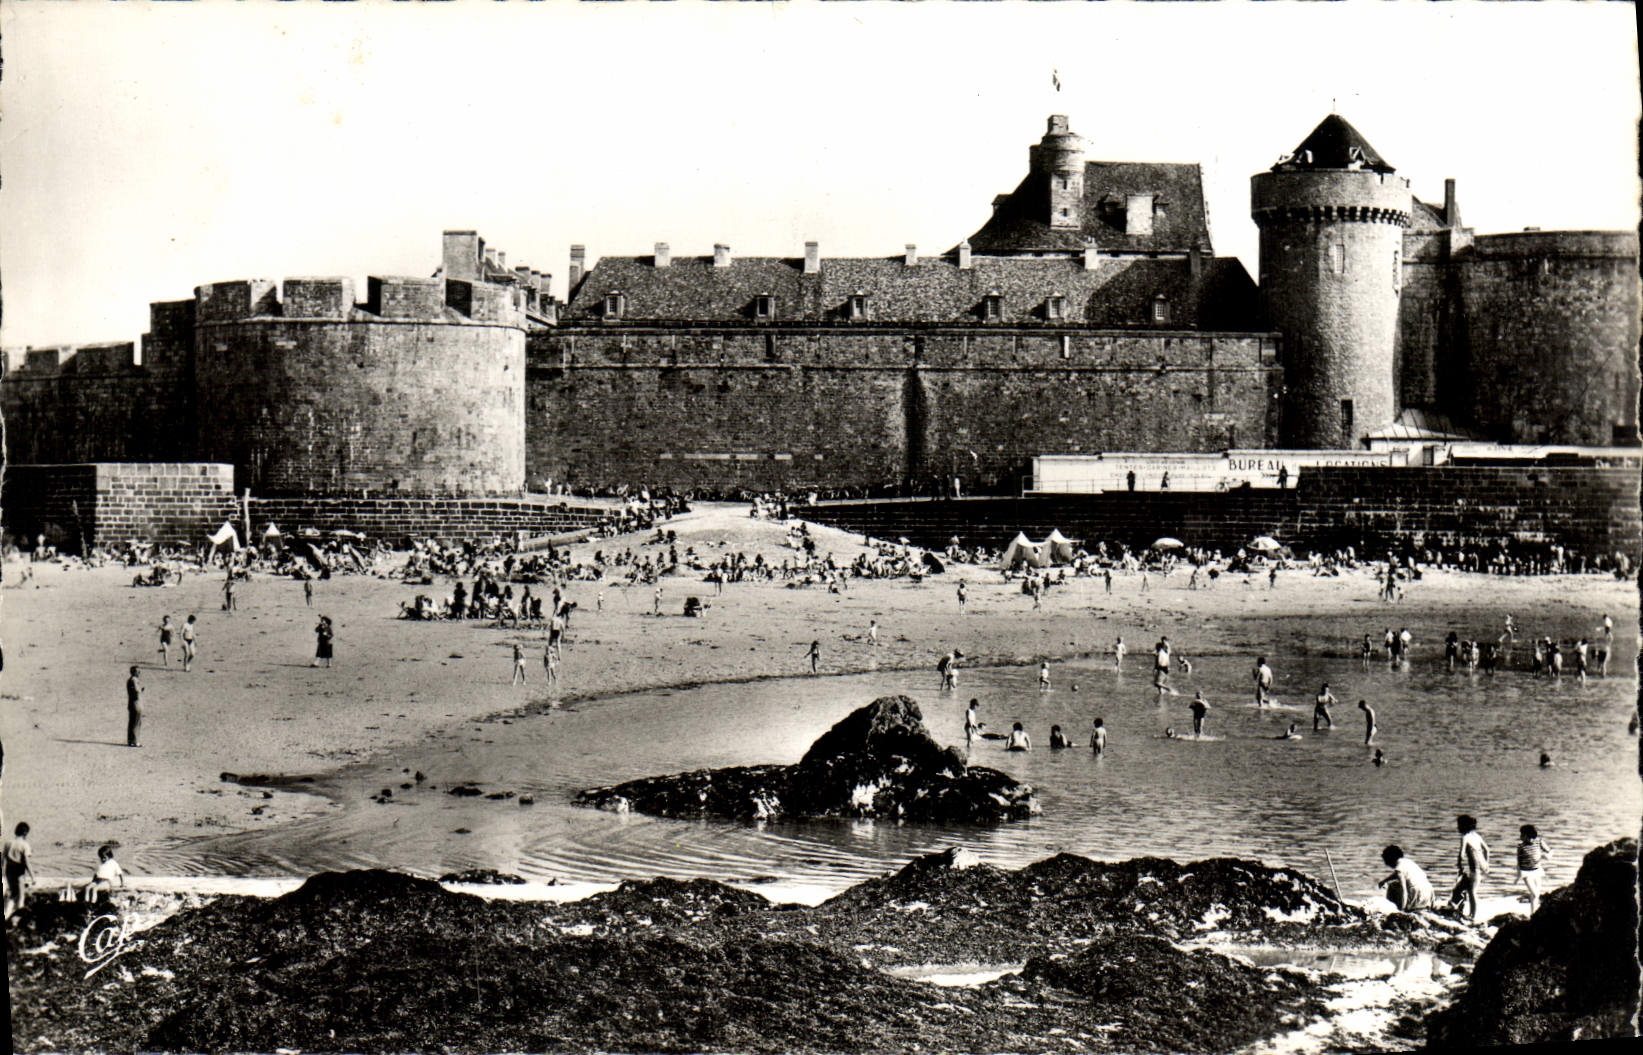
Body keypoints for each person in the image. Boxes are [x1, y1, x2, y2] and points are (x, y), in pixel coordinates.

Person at [1452, 815, 1491, 923]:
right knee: (1468, 889)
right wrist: (1487, 864)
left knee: (1471, 892)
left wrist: (1459, 865)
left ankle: (1472, 916)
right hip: (1481, 866)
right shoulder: (1477, 836)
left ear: (1463, 826)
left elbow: (1461, 854)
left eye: (1458, 825)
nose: (1457, 828)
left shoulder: (1465, 837)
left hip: (1474, 867)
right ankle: (1464, 910)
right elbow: (1487, 850)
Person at [1378, 845, 1435, 913]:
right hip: (1426, 897)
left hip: (1416, 898)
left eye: (1386, 861)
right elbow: (1396, 874)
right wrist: (1384, 881)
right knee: (1394, 883)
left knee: (1392, 886)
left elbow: (1403, 890)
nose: (1386, 864)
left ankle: (1392, 910)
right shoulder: (1408, 863)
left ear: (1390, 858)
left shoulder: (1399, 869)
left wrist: (1402, 910)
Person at [1516, 824, 1551, 914]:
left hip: (1537, 871)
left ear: (1528, 835)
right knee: (1534, 893)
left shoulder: (1539, 842)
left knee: (1536, 895)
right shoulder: (1521, 847)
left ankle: (1533, 913)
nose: (1520, 837)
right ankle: (1533, 913)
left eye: (1522, 834)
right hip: (1526, 872)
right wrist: (1518, 875)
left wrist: (1547, 856)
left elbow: (1549, 851)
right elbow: (1519, 863)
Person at [3, 822, 35, 920]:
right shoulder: (24, 845)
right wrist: (32, 876)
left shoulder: (8, 843)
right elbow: (26, 862)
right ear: (25, 833)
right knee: (21, 896)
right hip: (19, 872)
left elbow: (3, 858)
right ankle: (18, 918)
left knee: (13, 894)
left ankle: (6, 914)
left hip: (9, 870)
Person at [126, 666, 144, 747]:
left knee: (132, 722)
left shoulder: (130, 680)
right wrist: (140, 690)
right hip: (136, 703)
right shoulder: (134, 680)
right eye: (138, 671)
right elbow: (136, 691)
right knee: (137, 722)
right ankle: (136, 741)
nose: (139, 673)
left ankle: (131, 741)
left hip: (132, 703)